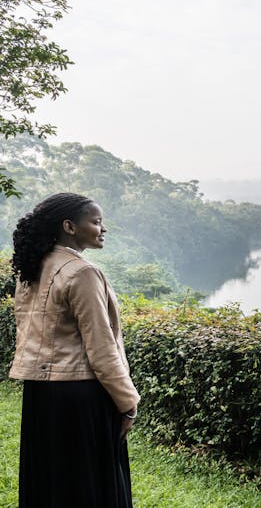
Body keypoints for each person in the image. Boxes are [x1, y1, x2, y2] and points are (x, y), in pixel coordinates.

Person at [8, 192, 140, 507]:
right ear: (69, 226)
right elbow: (101, 345)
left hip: (41, 394)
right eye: (95, 222)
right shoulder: (82, 273)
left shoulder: (32, 268)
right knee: (88, 484)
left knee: (51, 480)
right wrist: (127, 402)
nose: (103, 229)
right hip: (81, 396)